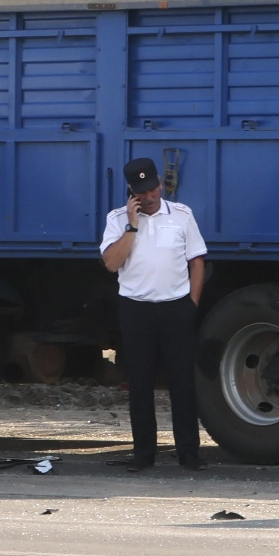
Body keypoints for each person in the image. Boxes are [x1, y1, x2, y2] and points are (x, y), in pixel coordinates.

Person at [100, 156, 208, 470]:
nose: (148, 197)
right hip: (136, 309)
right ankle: (144, 454)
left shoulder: (182, 215)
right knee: (140, 383)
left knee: (182, 383)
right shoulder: (118, 219)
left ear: (160, 184)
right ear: (131, 192)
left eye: (152, 190)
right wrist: (132, 227)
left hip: (176, 308)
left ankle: (189, 454)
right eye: (141, 192)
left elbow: (197, 261)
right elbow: (111, 263)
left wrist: (192, 304)